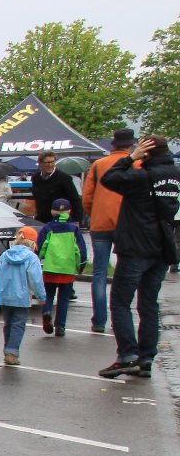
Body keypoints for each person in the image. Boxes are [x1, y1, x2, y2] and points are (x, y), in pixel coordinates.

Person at [97, 136, 180, 378]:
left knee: (121, 302)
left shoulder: (141, 176)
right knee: (149, 304)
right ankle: (146, 358)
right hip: (162, 247)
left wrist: (130, 158)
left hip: (136, 245)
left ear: (146, 152)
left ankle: (127, 355)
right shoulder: (175, 174)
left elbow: (109, 178)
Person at [81, 128, 135, 332]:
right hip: (126, 224)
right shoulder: (137, 164)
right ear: (131, 145)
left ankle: (99, 321)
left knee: (100, 273)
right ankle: (120, 317)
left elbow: (87, 197)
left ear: (114, 144)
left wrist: (95, 213)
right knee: (124, 272)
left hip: (100, 223)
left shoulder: (98, 165)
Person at [0, 226, 45, 366]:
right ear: (33, 243)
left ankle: (8, 349)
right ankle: (12, 352)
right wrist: (41, 296)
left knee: (8, 324)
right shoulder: (32, 258)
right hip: (22, 297)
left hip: (4, 296)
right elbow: (36, 279)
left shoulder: (5, 255)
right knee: (18, 325)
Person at [36, 198, 88, 337]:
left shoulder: (48, 228)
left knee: (49, 294)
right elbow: (81, 250)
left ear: (52, 212)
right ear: (69, 211)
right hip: (67, 269)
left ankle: (47, 311)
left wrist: (39, 258)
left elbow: (40, 247)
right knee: (64, 299)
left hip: (50, 267)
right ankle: (60, 326)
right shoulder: (74, 229)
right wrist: (81, 266)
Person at [29, 152, 82, 226]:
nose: (50, 165)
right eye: (47, 162)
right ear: (40, 163)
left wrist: (76, 220)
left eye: (52, 162)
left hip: (60, 221)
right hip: (41, 220)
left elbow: (75, 200)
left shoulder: (64, 178)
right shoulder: (36, 178)